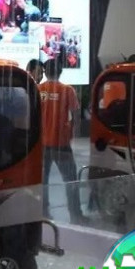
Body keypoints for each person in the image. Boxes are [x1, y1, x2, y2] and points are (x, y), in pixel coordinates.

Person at [39, 59, 84, 222]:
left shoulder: (38, 89)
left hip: (42, 145)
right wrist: (74, 132)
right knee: (71, 180)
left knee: (42, 181)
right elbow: (76, 114)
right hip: (61, 144)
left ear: (45, 72)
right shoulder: (67, 90)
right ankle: (75, 214)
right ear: (60, 72)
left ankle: (43, 213)